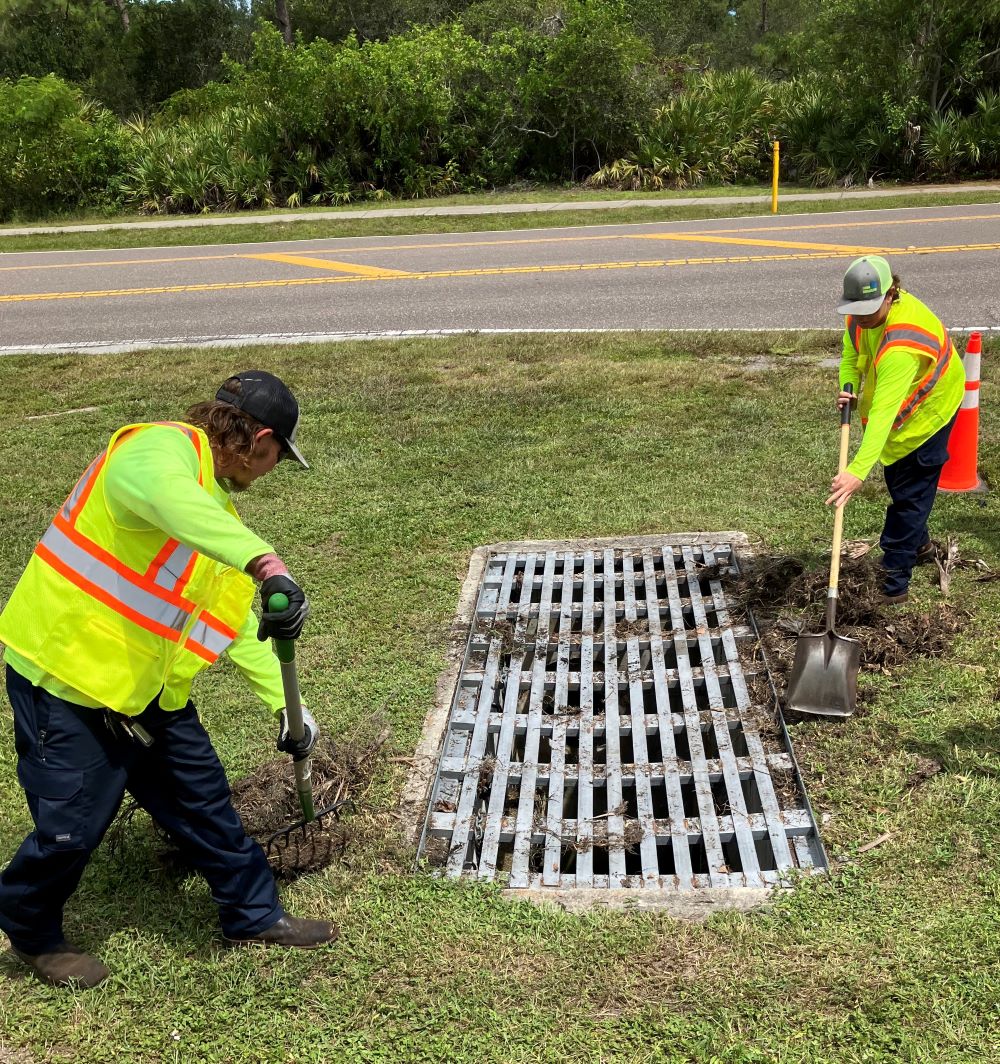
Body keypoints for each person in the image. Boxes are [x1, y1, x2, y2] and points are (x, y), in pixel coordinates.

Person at [0, 370, 337, 989]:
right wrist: (265, 559)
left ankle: (253, 914)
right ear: (257, 439)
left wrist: (291, 710)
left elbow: (233, 622)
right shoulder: (154, 450)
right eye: (275, 458)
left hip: (148, 692)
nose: (270, 471)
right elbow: (166, 497)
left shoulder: (215, 511)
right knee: (72, 828)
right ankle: (30, 926)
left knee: (204, 803)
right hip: (65, 679)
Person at [827, 256, 965, 604]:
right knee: (901, 484)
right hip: (899, 416)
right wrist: (848, 382)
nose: (861, 317)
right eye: (856, 310)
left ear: (891, 294)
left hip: (928, 414)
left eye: (869, 310)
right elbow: (850, 350)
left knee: (909, 499)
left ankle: (893, 586)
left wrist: (857, 472)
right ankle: (919, 545)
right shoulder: (861, 312)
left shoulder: (902, 345)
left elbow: (885, 414)